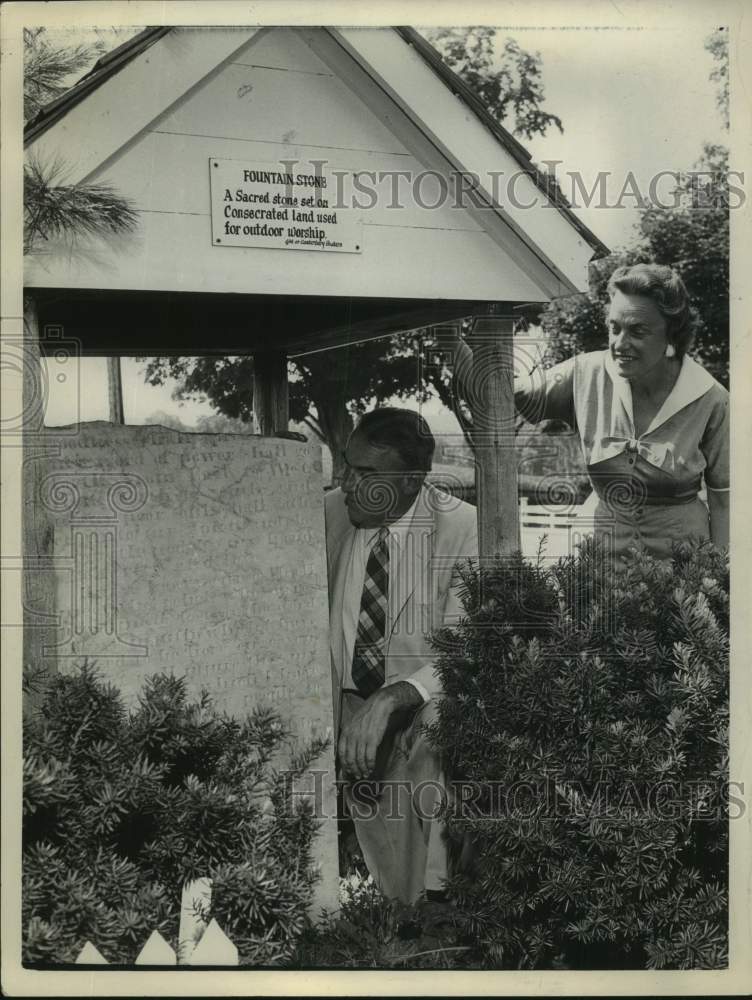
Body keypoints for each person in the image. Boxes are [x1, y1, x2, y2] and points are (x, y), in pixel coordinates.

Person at [325, 407, 478, 904]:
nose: (347, 484)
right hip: (340, 705)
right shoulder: (325, 515)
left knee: (438, 729)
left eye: (367, 474)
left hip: (417, 712)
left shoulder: (464, 530)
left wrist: (396, 695)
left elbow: (468, 644)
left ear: (414, 481)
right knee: (389, 881)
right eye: (346, 466)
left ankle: (438, 908)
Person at [514, 263, 729, 562]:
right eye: (615, 328)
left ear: (672, 335)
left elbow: (725, 500)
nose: (620, 344)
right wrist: (457, 342)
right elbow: (512, 394)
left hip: (683, 569)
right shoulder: (584, 372)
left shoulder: (711, 398)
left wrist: (721, 578)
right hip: (601, 561)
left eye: (637, 331)